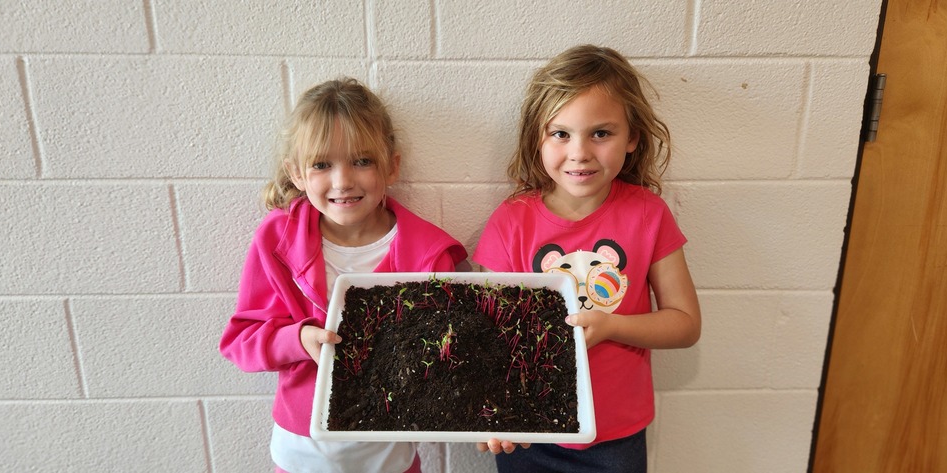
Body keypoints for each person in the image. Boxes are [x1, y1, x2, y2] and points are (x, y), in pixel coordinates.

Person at [220, 78, 468, 473]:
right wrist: (298, 338)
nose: (342, 181)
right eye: (322, 164)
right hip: (301, 455)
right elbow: (242, 341)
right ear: (296, 174)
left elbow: (453, 356)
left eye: (362, 161)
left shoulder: (428, 255)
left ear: (391, 166)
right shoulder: (276, 239)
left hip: (390, 457)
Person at [473, 45, 702, 472]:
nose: (579, 152)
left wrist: (612, 326)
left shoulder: (648, 215)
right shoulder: (511, 222)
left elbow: (685, 323)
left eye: (601, 133)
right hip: (528, 432)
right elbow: (489, 335)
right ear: (535, 138)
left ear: (632, 137)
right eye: (560, 133)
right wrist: (492, 407)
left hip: (614, 435)